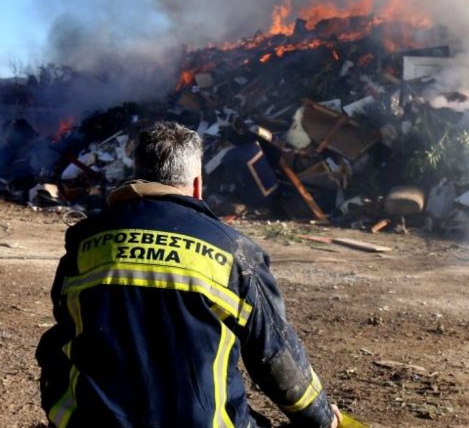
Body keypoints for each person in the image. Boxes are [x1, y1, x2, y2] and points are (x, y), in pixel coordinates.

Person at [36, 121, 341, 427]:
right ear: (197, 184)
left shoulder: (84, 241)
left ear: (138, 173)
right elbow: (275, 355)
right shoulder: (233, 250)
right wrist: (321, 417)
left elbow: (65, 325)